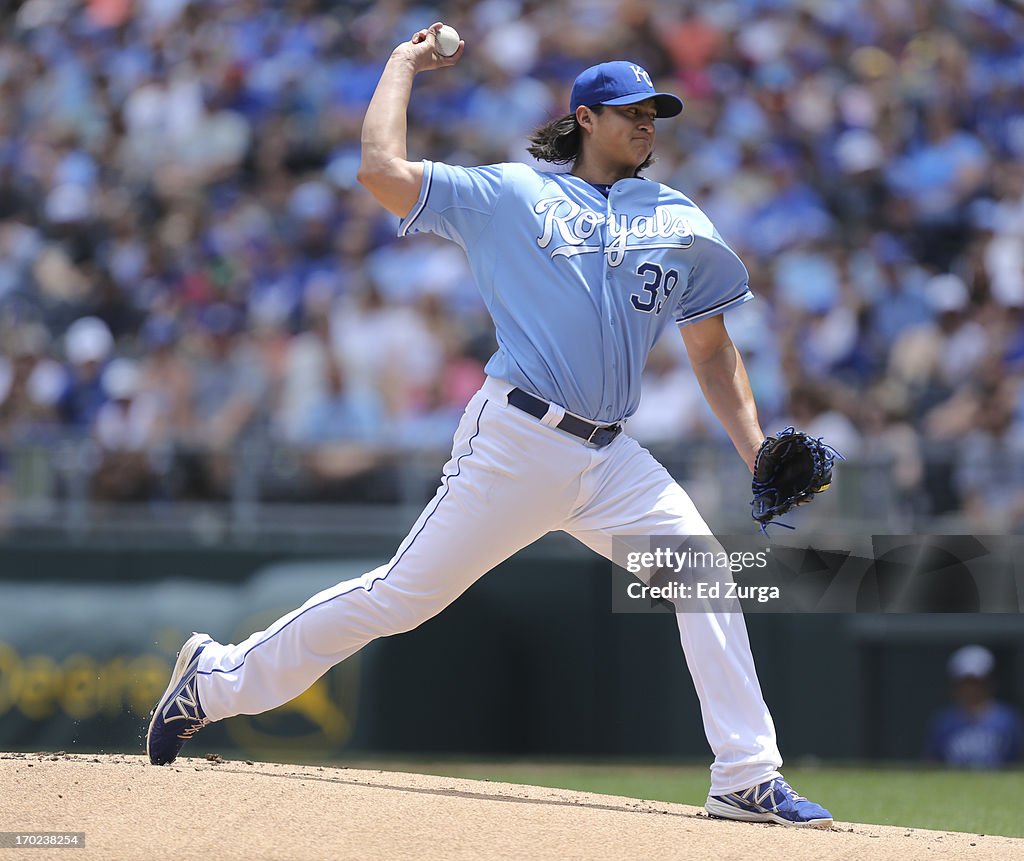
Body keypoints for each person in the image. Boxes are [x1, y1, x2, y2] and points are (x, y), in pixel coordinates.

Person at [146, 24, 833, 828]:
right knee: (400, 598)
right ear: (585, 118)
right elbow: (379, 171)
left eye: (655, 111)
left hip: (613, 459)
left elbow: (713, 352)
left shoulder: (676, 217)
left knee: (705, 576)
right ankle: (214, 678)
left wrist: (756, 452)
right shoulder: (514, 194)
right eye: (630, 110)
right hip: (518, 441)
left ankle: (745, 776)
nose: (648, 122)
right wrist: (403, 61)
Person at [927, 644, 1023, 768]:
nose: (971, 689)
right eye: (966, 683)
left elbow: (1018, 764)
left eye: (977, 683)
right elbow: (932, 765)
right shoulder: (945, 722)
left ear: (989, 682)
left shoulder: (1008, 720)